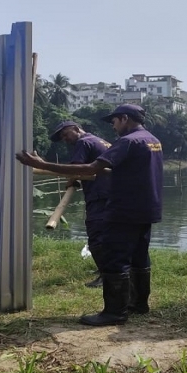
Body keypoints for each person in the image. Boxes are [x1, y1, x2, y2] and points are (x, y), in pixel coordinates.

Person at [16, 104, 163, 326]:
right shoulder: (152, 139)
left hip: (124, 208)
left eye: (114, 121)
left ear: (124, 118)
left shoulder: (128, 141)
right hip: (146, 207)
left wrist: (40, 164)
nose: (113, 127)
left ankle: (115, 312)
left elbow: (89, 168)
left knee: (115, 258)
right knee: (139, 257)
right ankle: (138, 304)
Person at [49, 120, 112, 288]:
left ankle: (106, 276)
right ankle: (110, 271)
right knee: (109, 236)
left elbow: (77, 168)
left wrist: (71, 181)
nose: (65, 139)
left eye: (66, 134)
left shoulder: (83, 142)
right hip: (113, 194)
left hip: (100, 195)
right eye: (62, 137)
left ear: (76, 129)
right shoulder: (99, 140)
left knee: (96, 237)